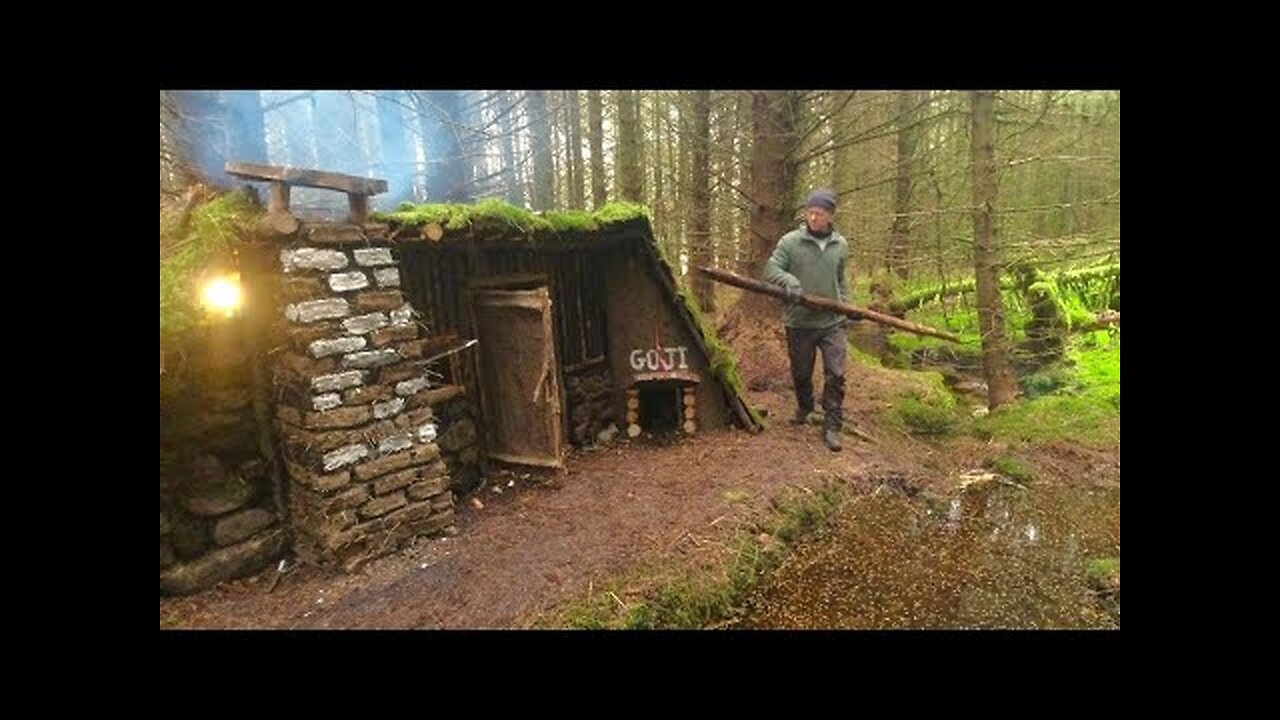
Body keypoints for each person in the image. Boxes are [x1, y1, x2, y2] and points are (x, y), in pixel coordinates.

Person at [763, 189, 849, 452]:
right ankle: (805, 406)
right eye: (810, 212)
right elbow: (771, 269)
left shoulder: (840, 245)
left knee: (836, 374)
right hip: (799, 322)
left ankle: (832, 425)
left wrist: (845, 306)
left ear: (829, 216)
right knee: (801, 373)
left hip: (832, 322)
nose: (813, 217)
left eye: (819, 214)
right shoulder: (790, 242)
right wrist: (789, 280)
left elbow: (841, 279)